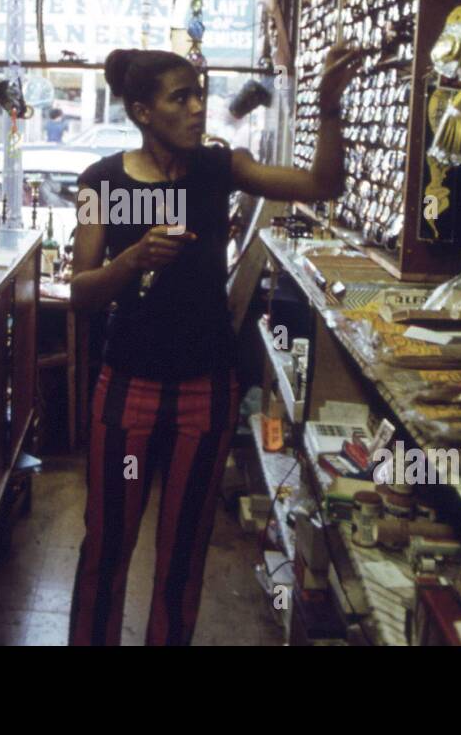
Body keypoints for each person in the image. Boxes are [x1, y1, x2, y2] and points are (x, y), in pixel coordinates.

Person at [67, 43, 362, 646]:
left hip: (207, 389)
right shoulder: (103, 181)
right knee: (106, 546)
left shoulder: (219, 168)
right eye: (182, 98)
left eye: (200, 94)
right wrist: (131, 261)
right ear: (143, 111)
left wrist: (329, 109)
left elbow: (322, 183)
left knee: (182, 556)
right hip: (127, 386)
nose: (200, 109)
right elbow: (80, 293)